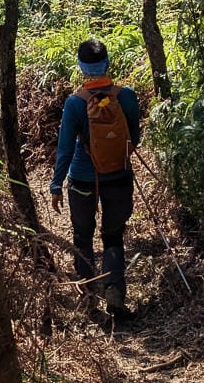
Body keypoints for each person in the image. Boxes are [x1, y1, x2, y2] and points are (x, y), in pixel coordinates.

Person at [49, 37, 141, 317]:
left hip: (83, 180)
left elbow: (65, 148)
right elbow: (134, 137)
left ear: (80, 67)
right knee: (113, 237)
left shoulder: (76, 103)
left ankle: (88, 298)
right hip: (118, 176)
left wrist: (56, 184)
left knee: (83, 237)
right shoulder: (126, 96)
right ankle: (114, 295)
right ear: (107, 63)